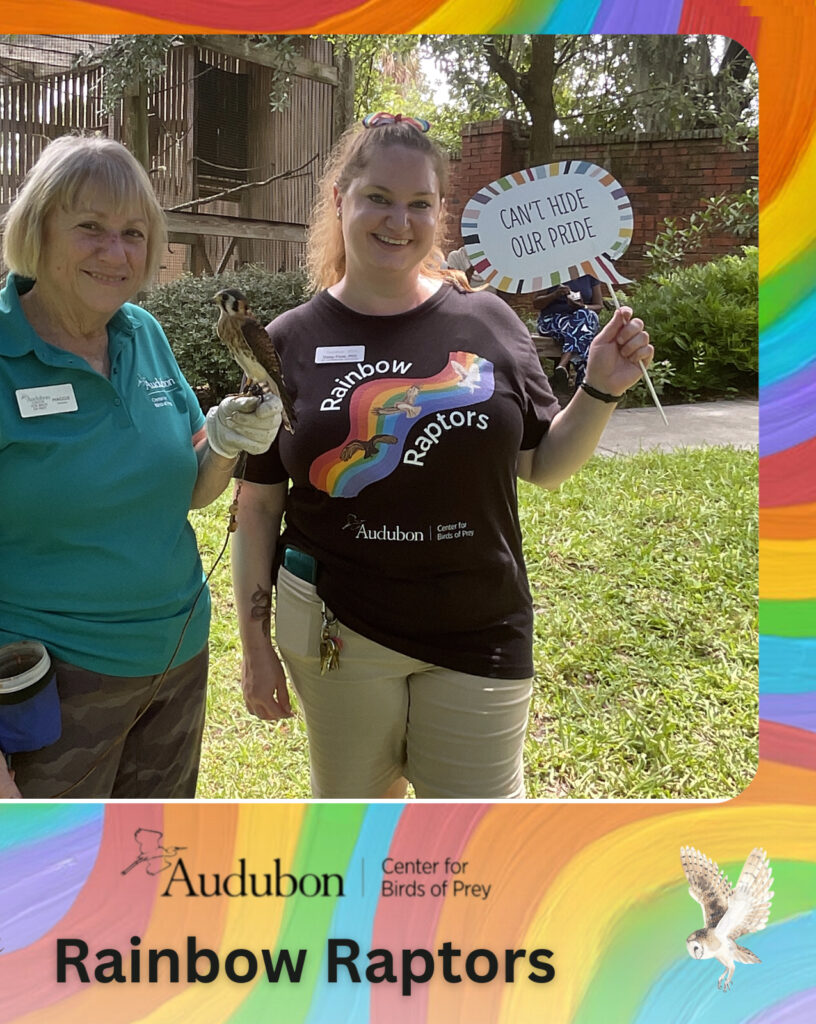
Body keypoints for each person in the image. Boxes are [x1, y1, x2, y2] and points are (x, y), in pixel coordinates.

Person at [230, 113, 652, 799]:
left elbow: (543, 465)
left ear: (440, 214)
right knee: (359, 835)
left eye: (419, 204)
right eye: (379, 199)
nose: (399, 221)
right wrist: (253, 651)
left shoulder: (487, 320)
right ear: (340, 200)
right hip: (340, 633)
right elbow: (256, 509)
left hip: (478, 629)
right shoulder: (286, 342)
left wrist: (600, 387)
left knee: (477, 847)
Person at [0, 134, 282, 799]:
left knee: (145, 875)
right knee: (38, 890)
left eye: (133, 233)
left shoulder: (142, 335)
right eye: (90, 228)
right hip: (43, 692)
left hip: (175, 671)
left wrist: (225, 441)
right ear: (39, 230)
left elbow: (189, 487)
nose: (115, 252)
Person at [532, 274, 604, 392]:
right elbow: (536, 303)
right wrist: (554, 295)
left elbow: (598, 306)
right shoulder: (552, 273)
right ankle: (582, 390)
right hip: (553, 321)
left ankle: (564, 362)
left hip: (580, 321)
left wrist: (582, 306)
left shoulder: (590, 275)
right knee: (584, 337)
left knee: (586, 314)